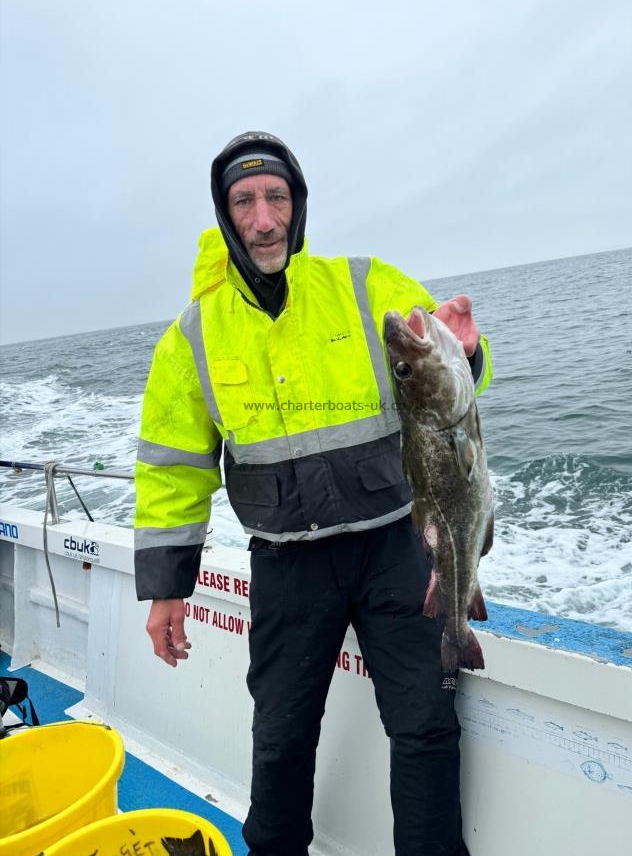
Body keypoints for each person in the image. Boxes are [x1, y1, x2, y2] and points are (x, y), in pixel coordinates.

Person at [134, 131, 492, 856]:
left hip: (396, 546)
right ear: (223, 212)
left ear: (296, 208)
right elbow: (174, 467)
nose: (263, 219)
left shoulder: (364, 284)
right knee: (281, 737)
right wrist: (167, 587)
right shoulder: (193, 335)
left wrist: (468, 345)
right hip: (288, 563)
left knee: (424, 727)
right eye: (244, 201)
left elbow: (451, 386)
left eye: (277, 198)